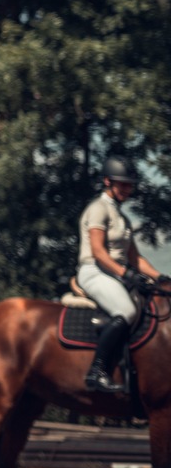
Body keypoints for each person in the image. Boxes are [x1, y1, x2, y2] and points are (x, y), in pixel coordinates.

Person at [77, 156, 167, 393]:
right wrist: (126, 274)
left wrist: (160, 277)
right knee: (126, 311)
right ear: (107, 181)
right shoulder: (98, 209)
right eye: (122, 184)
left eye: (130, 185)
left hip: (115, 273)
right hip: (94, 271)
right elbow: (98, 252)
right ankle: (97, 371)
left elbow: (135, 258)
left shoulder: (122, 218)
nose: (128, 189)